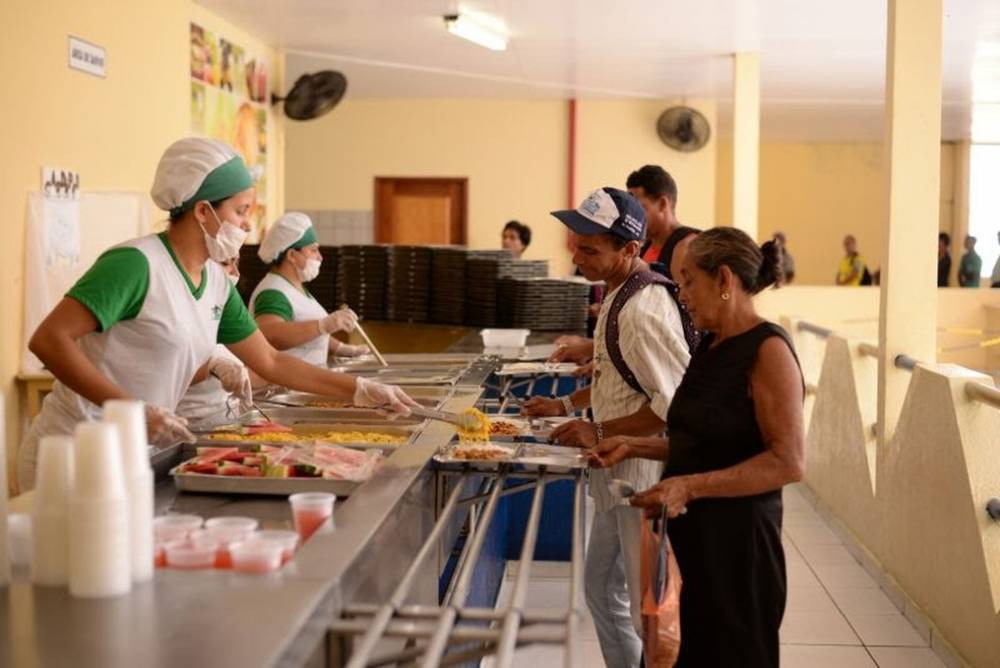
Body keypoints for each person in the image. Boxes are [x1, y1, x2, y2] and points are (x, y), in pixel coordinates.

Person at [18, 138, 416, 489]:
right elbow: (50, 340)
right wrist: (132, 411)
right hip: (75, 452)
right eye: (241, 212)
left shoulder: (215, 282)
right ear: (204, 212)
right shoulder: (137, 264)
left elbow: (272, 361)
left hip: (138, 454)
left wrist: (360, 391)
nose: (247, 225)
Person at [589, 227, 804, 667]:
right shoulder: (709, 345)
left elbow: (787, 462)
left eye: (688, 282)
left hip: (738, 546)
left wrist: (687, 488)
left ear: (724, 280)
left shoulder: (768, 351)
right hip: (693, 541)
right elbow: (697, 443)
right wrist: (631, 444)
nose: (681, 296)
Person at [524, 187, 691, 668]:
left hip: (641, 478)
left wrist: (598, 432)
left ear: (630, 250)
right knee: (600, 586)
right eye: (575, 244)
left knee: (651, 613)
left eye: (590, 249)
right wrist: (565, 403)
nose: (577, 258)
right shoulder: (620, 292)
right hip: (614, 474)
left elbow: (672, 405)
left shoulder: (643, 311)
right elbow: (616, 374)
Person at [250, 212, 367, 366]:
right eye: (313, 250)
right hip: (286, 383)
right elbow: (271, 335)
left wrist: (341, 348)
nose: (320, 257)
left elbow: (307, 331)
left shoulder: (295, 287)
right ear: (292, 255)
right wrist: (324, 325)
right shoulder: (273, 292)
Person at [176, 257, 264, 429]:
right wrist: (211, 366)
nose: (235, 272)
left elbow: (269, 360)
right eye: (226, 263)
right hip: (187, 427)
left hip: (223, 423)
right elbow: (166, 371)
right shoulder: (182, 309)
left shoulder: (221, 308)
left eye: (237, 263)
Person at [625, 165, 700, 281]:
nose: (631, 216)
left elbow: (686, 298)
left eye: (637, 208)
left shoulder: (688, 247)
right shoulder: (642, 248)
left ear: (662, 204)